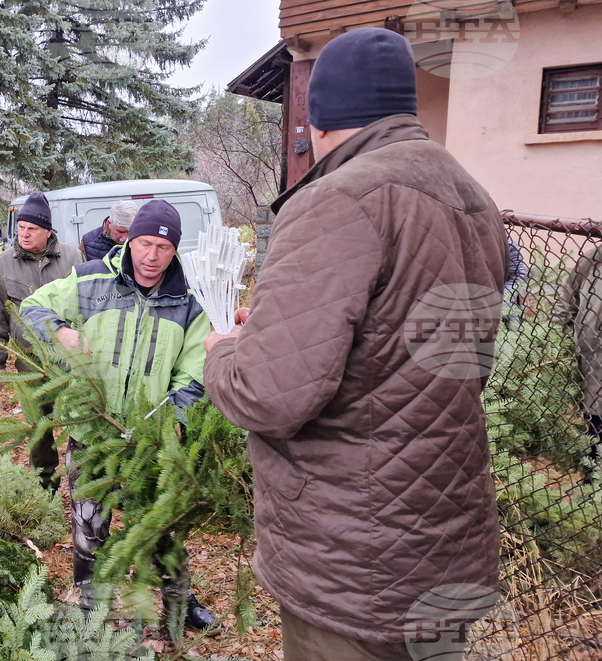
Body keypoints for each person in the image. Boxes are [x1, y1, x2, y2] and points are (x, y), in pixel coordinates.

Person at [202, 28, 508, 661]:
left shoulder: (338, 200)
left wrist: (225, 348)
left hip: (356, 557)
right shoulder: (473, 199)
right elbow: (408, 353)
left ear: (318, 117)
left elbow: (269, 395)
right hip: (444, 535)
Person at [19, 200, 215, 630]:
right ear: (129, 239)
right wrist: (62, 330)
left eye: (163, 248)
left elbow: (196, 371)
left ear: (175, 250)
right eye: (145, 243)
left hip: (153, 438)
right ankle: (93, 607)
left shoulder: (189, 300)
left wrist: (174, 420)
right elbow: (31, 308)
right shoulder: (90, 280)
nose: (152, 256)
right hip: (92, 430)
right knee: (89, 527)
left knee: (163, 524)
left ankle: (180, 604)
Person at [0, 191, 83, 491]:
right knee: (39, 427)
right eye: (21, 228)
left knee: (81, 418)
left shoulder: (73, 257)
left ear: (48, 231)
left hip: (69, 359)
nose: (24, 234)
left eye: (32, 229)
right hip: (30, 362)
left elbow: (88, 302)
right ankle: (46, 485)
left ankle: (87, 481)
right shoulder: (2, 265)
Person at [554, 243, 602, 481]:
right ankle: (592, 479)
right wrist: (554, 335)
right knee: (594, 420)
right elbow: (567, 295)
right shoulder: (595, 256)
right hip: (592, 357)